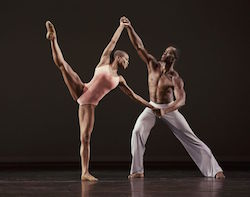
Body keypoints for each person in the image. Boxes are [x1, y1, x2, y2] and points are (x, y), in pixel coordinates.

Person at [45, 17, 160, 181]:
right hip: (82, 88)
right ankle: (53, 39)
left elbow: (133, 96)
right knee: (63, 66)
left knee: (85, 138)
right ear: (118, 57)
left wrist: (151, 106)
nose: (127, 62)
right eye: (126, 59)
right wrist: (121, 26)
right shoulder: (105, 60)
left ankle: (85, 172)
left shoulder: (120, 79)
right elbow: (113, 41)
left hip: (89, 104)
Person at [122, 17, 225, 179]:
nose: (165, 53)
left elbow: (181, 100)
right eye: (165, 51)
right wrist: (130, 28)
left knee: (190, 137)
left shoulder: (175, 78)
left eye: (169, 52)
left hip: (168, 108)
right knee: (137, 131)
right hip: (151, 106)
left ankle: (215, 170)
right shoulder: (152, 65)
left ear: (174, 58)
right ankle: (137, 171)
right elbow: (139, 47)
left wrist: (165, 111)